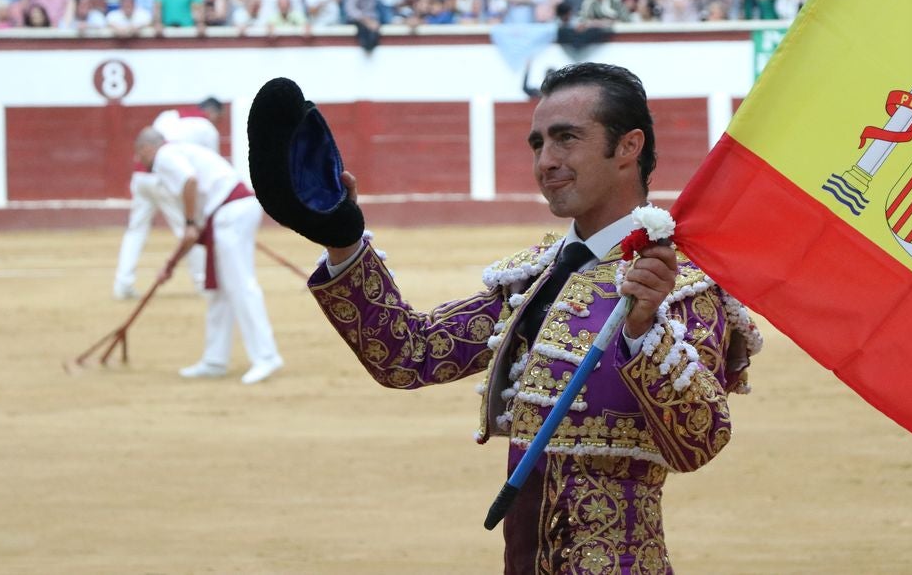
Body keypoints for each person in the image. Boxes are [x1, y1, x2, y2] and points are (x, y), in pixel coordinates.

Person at [259, 63, 760, 572]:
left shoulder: (678, 284)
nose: (546, 161)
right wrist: (342, 239)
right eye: (538, 144)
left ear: (628, 147)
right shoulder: (536, 279)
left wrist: (643, 329)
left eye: (566, 139)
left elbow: (699, 441)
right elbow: (409, 355)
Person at [133, 126, 284, 384]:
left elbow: (189, 183)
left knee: (240, 285)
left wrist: (190, 221)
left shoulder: (164, 156)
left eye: (140, 154)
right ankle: (215, 360)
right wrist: (171, 263)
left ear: (148, 148)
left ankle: (266, 357)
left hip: (229, 212)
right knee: (220, 290)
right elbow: (192, 233)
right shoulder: (179, 152)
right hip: (229, 212)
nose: (141, 160)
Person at [113, 99, 223, 299]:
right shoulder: (208, 129)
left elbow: (149, 142)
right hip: (167, 177)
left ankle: (122, 284)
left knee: (136, 229)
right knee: (188, 229)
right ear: (213, 113)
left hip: (141, 176)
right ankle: (202, 282)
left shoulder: (168, 115)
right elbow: (210, 166)